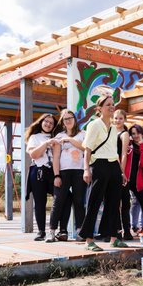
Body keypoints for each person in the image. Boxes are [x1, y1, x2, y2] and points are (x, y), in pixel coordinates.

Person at [79, 95, 128, 251]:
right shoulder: (94, 125)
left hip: (113, 165)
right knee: (94, 202)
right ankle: (88, 240)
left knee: (114, 203)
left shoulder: (114, 128)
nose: (111, 107)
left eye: (113, 104)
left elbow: (114, 152)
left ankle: (114, 237)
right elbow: (87, 149)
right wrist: (86, 168)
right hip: (98, 165)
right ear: (99, 108)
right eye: (108, 105)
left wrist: (121, 172)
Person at [46, 109, 86, 243]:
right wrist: (56, 175)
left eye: (70, 118)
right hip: (63, 172)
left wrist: (70, 140)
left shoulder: (82, 134)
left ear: (75, 120)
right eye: (65, 119)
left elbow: (85, 148)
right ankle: (51, 232)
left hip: (79, 171)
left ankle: (80, 231)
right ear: (62, 122)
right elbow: (56, 157)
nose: (68, 121)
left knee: (79, 202)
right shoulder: (59, 136)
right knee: (58, 201)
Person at [25, 113, 58, 241]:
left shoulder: (56, 137)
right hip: (38, 171)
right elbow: (34, 155)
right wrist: (46, 144)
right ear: (41, 122)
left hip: (53, 172)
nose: (48, 124)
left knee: (64, 197)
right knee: (40, 202)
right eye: (46, 121)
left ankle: (60, 229)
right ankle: (41, 231)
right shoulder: (35, 137)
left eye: (51, 123)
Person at [114, 109, 133, 240]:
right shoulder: (109, 131)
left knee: (125, 203)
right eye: (115, 118)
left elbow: (123, 154)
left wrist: (122, 172)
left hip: (120, 170)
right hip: (110, 169)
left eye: (120, 118)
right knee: (113, 203)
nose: (117, 120)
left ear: (124, 119)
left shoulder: (124, 134)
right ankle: (117, 230)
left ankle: (127, 230)